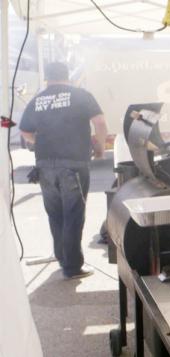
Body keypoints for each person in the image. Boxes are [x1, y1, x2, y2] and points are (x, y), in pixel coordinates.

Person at [20, 62, 108, 280]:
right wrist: (100, 148)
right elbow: (100, 122)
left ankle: (63, 259)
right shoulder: (80, 94)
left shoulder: (38, 99)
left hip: (44, 166)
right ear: (67, 76)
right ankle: (72, 267)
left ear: (47, 79)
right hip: (73, 164)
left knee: (56, 215)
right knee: (73, 215)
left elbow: (24, 130)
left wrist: (42, 140)